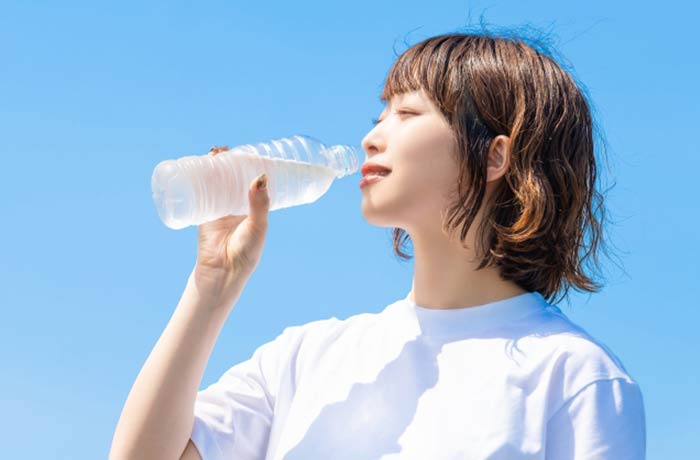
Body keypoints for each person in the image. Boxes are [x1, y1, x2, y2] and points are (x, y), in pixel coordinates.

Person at [110, 31, 646, 460]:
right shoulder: (306, 359)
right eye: (379, 115)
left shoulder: (576, 376)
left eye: (409, 114)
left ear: (494, 156)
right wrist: (211, 286)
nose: (372, 136)